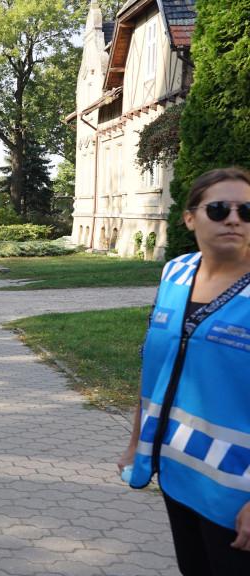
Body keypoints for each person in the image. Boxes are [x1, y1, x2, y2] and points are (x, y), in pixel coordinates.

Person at [119, 167, 250, 573]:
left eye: (247, 210)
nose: (234, 219)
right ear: (190, 217)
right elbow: (155, 365)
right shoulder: (175, 272)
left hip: (235, 492)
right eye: (218, 209)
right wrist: (136, 441)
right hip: (177, 471)